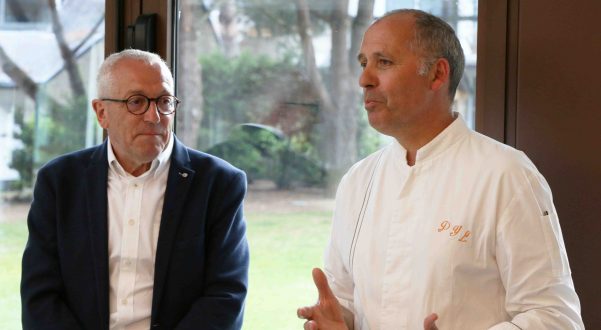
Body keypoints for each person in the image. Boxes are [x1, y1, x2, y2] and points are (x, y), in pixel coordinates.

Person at [297, 9, 583, 330]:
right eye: (364, 63)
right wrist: (337, 321)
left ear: (437, 74)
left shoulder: (507, 175)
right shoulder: (358, 181)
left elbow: (555, 317)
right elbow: (344, 299)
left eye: (384, 62)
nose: (365, 79)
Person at [21, 49, 249, 330]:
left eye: (164, 101)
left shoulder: (219, 184)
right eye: (137, 102)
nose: (154, 116)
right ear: (101, 112)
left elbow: (225, 296)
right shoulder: (59, 182)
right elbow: (40, 297)